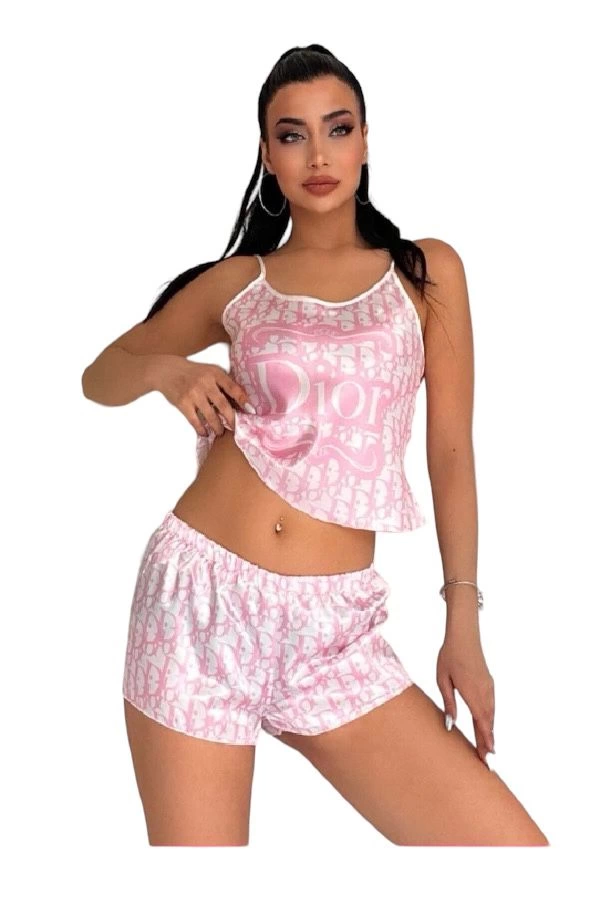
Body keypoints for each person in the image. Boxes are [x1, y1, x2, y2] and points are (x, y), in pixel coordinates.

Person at [81, 44, 549, 848]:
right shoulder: (240, 282)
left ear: (366, 139)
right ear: (268, 154)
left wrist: (462, 623)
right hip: (196, 602)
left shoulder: (425, 274)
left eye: (338, 129)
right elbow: (101, 374)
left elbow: (450, 454)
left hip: (333, 633)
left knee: (511, 859)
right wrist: (167, 371)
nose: (319, 155)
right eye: (292, 135)